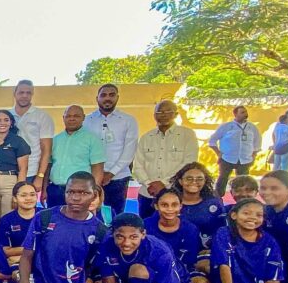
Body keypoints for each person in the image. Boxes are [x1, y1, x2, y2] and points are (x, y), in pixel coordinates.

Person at [132, 99, 199, 218]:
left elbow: (189, 163)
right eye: (159, 112)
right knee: (146, 229)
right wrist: (149, 184)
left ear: (176, 114)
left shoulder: (187, 135)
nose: (163, 115)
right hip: (148, 194)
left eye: (168, 111)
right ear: (154, 115)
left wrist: (164, 183)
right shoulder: (146, 137)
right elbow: (137, 165)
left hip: (175, 193)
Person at [83, 84, 139, 216]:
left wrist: (111, 173)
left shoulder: (128, 121)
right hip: (91, 177)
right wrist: (97, 174)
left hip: (118, 178)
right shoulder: (87, 121)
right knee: (89, 213)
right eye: (103, 95)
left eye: (111, 95)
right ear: (97, 98)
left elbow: (129, 151)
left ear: (117, 98)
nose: (107, 98)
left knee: (115, 215)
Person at [143, 188, 204, 283]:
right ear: (156, 206)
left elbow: (190, 260)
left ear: (181, 206)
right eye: (164, 205)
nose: (170, 209)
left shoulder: (190, 229)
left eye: (174, 205)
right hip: (151, 269)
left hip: (180, 270)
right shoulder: (144, 226)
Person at [0, 109, 30, 238]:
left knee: (8, 216)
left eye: (6, 120)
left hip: (10, 181)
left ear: (11, 123)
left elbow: (23, 168)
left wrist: (19, 191)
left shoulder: (18, 141)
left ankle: (7, 247)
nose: (2, 123)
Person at [48, 105, 105, 208]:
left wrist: (94, 192)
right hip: (55, 191)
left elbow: (97, 168)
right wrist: (44, 190)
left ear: (83, 118)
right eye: (68, 116)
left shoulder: (92, 139)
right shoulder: (55, 139)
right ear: (63, 118)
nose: (72, 118)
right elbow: (49, 165)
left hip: (80, 192)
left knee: (78, 221)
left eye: (76, 116)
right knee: (54, 222)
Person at [11, 80, 55, 196]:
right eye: (21, 92)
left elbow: (46, 150)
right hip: (9, 171)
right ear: (14, 94)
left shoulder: (42, 116)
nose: (24, 96)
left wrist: (40, 176)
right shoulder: (6, 116)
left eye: (28, 93)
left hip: (31, 172)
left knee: (27, 208)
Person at [207, 106, 262, 198]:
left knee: (243, 181)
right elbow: (212, 141)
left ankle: (243, 197)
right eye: (242, 112)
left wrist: (253, 156)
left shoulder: (252, 127)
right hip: (227, 158)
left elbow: (257, 142)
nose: (245, 114)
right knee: (223, 178)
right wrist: (218, 153)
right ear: (235, 114)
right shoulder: (226, 126)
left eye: (245, 112)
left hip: (245, 159)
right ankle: (217, 198)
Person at [0, 181, 38, 276]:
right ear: (15, 198)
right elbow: (5, 251)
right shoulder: (6, 220)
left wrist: (20, 256)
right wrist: (31, 250)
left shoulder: (45, 216)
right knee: (18, 276)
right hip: (19, 264)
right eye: (23, 195)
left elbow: (49, 247)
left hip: (43, 260)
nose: (28, 198)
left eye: (32, 195)